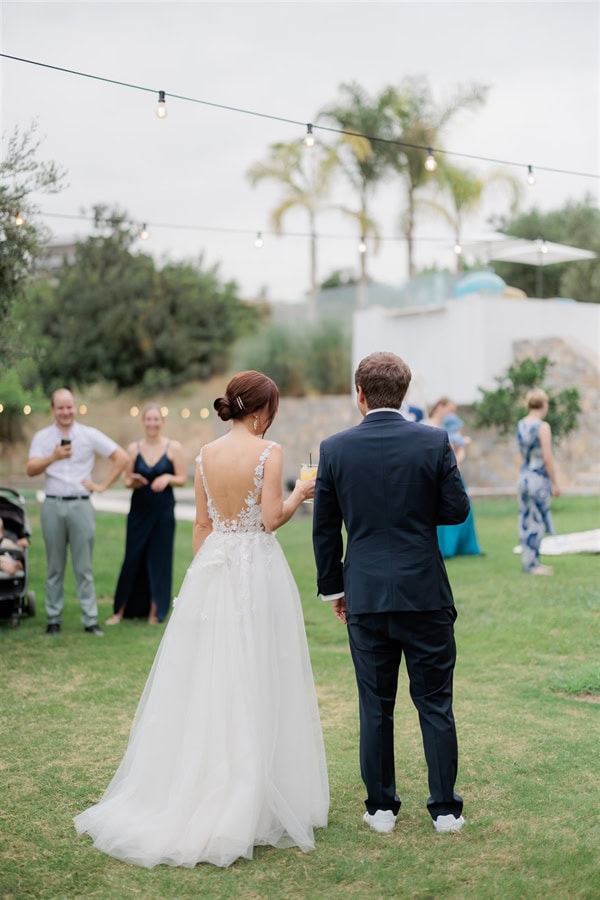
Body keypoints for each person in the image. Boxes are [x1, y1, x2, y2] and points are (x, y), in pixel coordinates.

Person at [74, 371, 329, 868]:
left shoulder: (204, 455)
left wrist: (203, 581)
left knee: (210, 677)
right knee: (258, 672)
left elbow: (203, 525)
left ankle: (209, 782)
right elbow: (272, 518)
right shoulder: (269, 452)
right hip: (257, 569)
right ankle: (249, 794)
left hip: (213, 569)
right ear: (260, 412)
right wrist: (302, 493)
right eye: (270, 409)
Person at [312, 352, 470, 835]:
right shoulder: (434, 440)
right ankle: (445, 810)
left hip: (366, 596)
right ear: (404, 393)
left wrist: (334, 590)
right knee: (435, 703)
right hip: (425, 592)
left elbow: (325, 530)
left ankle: (381, 808)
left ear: (359, 394)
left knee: (375, 705)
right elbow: (457, 509)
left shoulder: (335, 449)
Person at [26, 388, 129, 636]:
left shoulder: (88, 434)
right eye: (60, 407)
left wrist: (102, 486)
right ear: (52, 410)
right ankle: (53, 618)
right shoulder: (42, 437)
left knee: (83, 566)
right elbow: (30, 469)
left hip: (82, 504)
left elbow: (121, 457)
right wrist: (53, 456)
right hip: (52, 504)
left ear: (75, 407)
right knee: (54, 566)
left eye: (69, 406)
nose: (65, 411)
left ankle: (90, 619)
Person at [106, 404, 185, 625]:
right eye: (148, 419)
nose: (152, 423)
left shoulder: (173, 448)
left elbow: (182, 478)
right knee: (132, 557)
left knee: (160, 559)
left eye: (156, 419)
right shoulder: (133, 449)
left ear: (162, 422)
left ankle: (155, 611)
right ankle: (119, 611)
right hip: (139, 510)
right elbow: (126, 480)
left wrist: (168, 478)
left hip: (163, 512)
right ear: (143, 422)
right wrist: (135, 481)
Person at [425, 398, 483, 558]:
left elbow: (459, 448)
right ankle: (443, 547)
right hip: (432, 474)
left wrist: (455, 462)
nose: (451, 415)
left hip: (450, 471)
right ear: (440, 407)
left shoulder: (450, 429)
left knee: (462, 506)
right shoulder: (424, 424)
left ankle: (461, 546)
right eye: (449, 410)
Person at [517, 388, 560, 575]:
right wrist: (555, 482)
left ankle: (530, 562)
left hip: (524, 476)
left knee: (526, 519)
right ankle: (533, 565)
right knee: (537, 522)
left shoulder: (521, 424)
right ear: (543, 404)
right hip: (537, 477)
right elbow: (547, 457)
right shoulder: (543, 427)